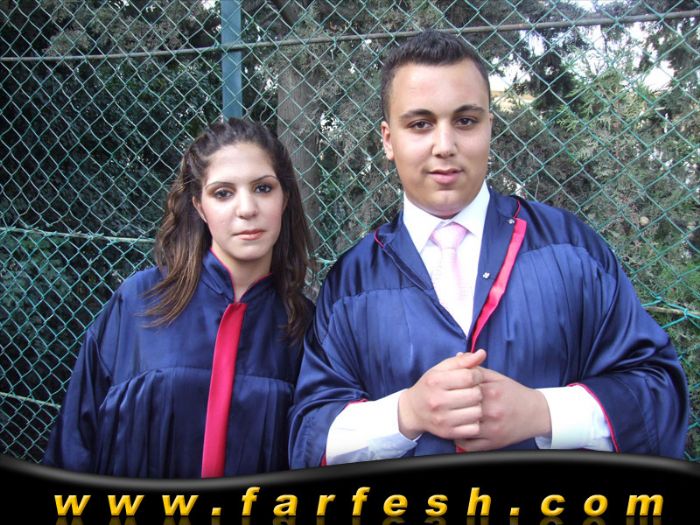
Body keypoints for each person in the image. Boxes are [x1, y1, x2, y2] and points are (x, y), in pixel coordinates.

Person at [288, 30, 689, 467]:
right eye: (420, 124)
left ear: (489, 127)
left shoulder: (570, 250)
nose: (445, 146)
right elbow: (310, 437)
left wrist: (542, 413)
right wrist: (406, 414)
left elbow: (659, 394)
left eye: (465, 121)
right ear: (388, 139)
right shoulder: (351, 284)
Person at [43, 117, 312, 478]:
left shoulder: (304, 326)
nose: (247, 208)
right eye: (223, 193)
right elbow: (75, 439)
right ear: (199, 206)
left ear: (285, 199)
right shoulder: (139, 302)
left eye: (263, 188)